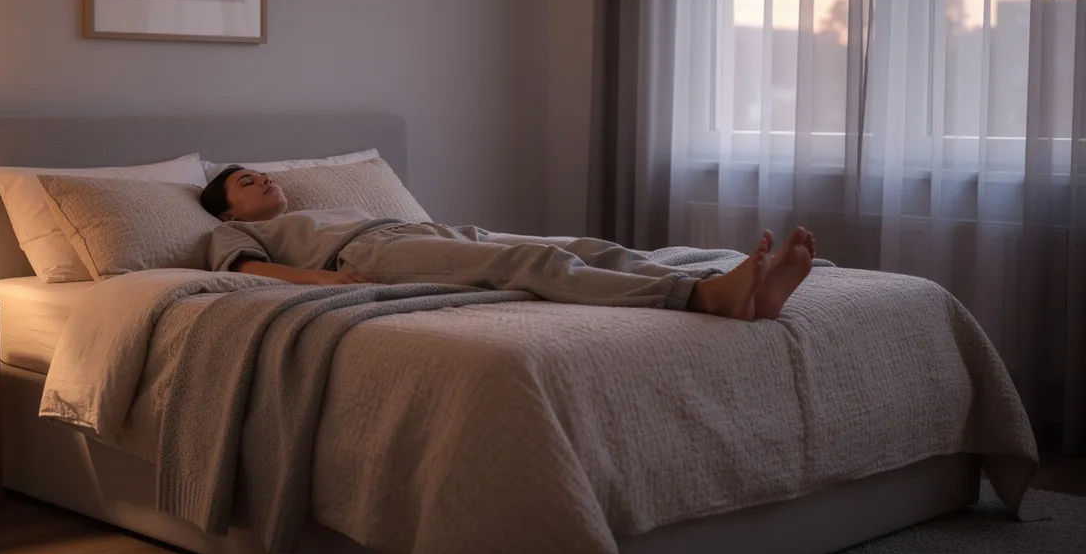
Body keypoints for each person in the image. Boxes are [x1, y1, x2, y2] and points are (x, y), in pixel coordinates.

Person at [199, 166, 817, 321]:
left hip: (414, 232)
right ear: (230, 206)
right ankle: (700, 296)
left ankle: (745, 284)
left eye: (265, 172)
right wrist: (327, 282)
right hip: (366, 255)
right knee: (531, 260)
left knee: (584, 243)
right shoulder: (234, 231)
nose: (266, 180)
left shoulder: (320, 205)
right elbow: (253, 271)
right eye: (249, 182)